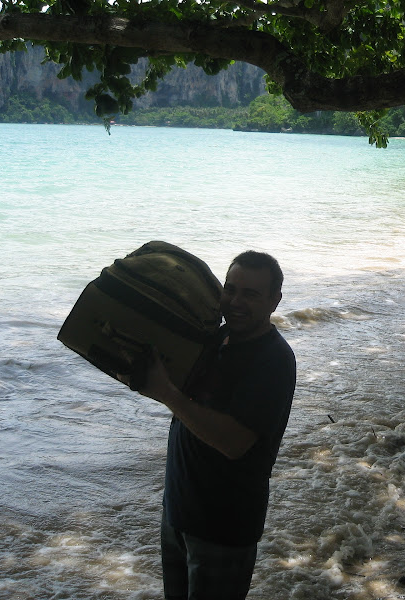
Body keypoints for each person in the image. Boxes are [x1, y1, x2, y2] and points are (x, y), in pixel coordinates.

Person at [135, 250, 296, 600]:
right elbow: (183, 400)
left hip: (223, 526)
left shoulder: (273, 360)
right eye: (230, 289)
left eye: (251, 294)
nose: (236, 302)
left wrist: (165, 392)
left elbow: (234, 441)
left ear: (274, 301)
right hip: (178, 511)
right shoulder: (213, 338)